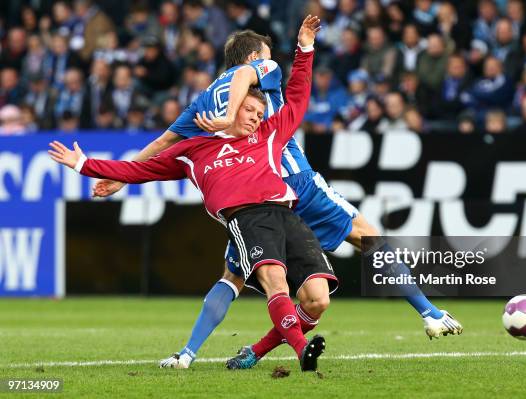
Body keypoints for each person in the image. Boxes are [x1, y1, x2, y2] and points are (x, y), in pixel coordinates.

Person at [93, 21, 462, 370]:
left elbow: (163, 142)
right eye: (267, 56)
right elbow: (254, 79)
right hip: (293, 182)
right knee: (370, 240)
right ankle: (429, 313)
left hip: (251, 199)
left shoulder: (201, 101)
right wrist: (302, 49)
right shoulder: (258, 72)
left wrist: (123, 179)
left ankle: (192, 353)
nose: (271, 62)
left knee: (233, 278)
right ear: (255, 57)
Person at [49, 16, 331, 372]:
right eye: (249, 110)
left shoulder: (269, 133)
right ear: (235, 101)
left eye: (260, 112)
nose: (256, 118)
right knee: (272, 281)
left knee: (318, 298)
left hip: (287, 214)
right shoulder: (196, 149)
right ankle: (301, 351)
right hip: (247, 218)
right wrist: (84, 165)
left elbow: (298, 97)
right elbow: (140, 169)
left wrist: (305, 46)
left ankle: (254, 351)